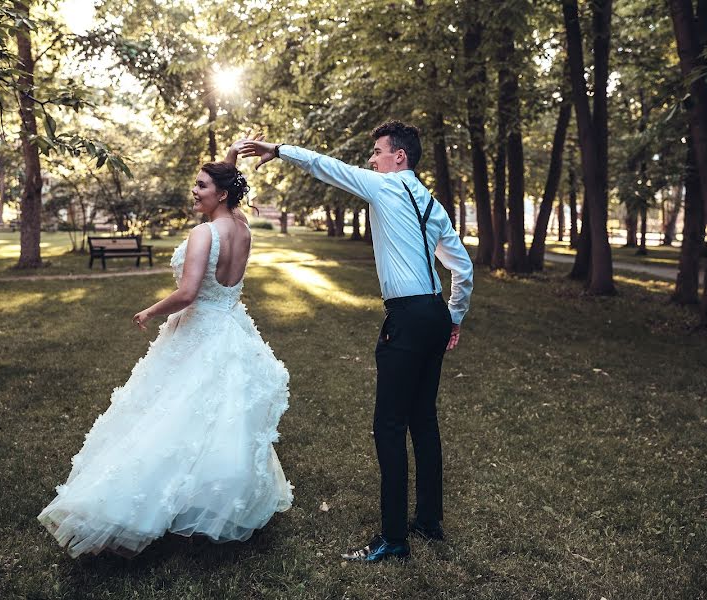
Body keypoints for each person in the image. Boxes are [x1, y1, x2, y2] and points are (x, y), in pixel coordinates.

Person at [38, 137, 293, 558]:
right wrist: (229, 155)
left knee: (171, 414)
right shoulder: (242, 225)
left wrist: (150, 311)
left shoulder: (203, 233)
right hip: (230, 326)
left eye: (201, 186)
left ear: (221, 193)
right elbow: (229, 190)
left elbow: (189, 292)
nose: (194, 191)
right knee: (215, 420)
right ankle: (210, 501)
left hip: (198, 328)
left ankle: (141, 506)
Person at [241, 121, 473, 563]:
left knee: (389, 425)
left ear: (398, 157)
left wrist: (278, 148)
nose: (371, 160)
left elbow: (326, 167)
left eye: (378, 152)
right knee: (423, 419)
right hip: (434, 314)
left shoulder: (385, 188)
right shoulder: (432, 204)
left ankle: (393, 539)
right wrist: (454, 316)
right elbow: (462, 268)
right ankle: (428, 522)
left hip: (405, 317)